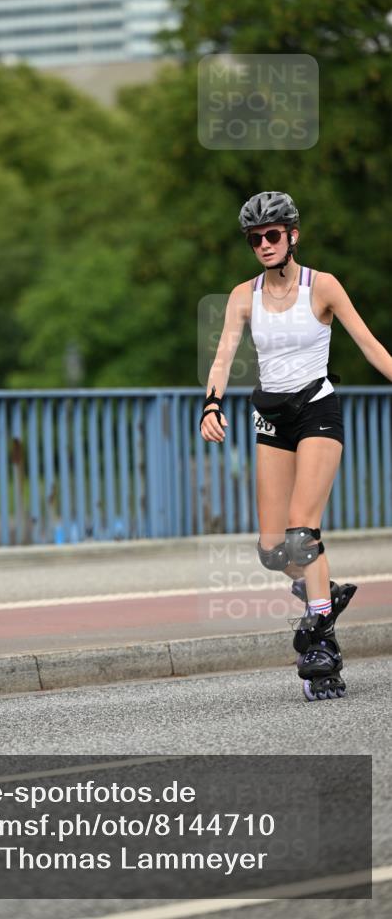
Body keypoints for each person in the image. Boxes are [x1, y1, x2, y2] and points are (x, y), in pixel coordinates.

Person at [199, 191, 392, 700]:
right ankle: (323, 592)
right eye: (254, 238)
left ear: (293, 236)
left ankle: (321, 645)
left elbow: (370, 345)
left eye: (272, 235)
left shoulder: (322, 286)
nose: (263, 244)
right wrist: (211, 404)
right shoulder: (244, 295)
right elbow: (222, 358)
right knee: (271, 550)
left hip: (317, 411)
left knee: (303, 534)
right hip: (271, 417)